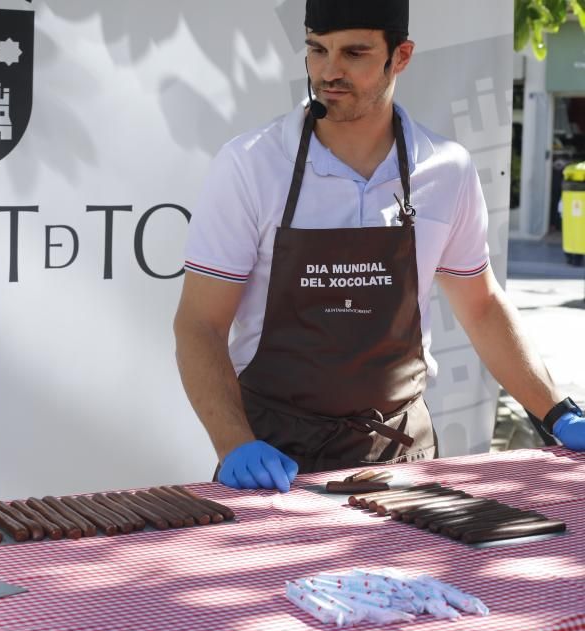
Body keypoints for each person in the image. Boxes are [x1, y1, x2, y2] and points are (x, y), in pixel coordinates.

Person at [174, 0, 585, 492]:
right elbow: (200, 323)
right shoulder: (250, 165)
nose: (329, 70)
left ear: (401, 56)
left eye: (354, 53)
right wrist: (234, 443)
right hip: (272, 458)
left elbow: (481, 307)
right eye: (316, 50)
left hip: (399, 458)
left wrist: (557, 411)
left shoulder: (446, 169)